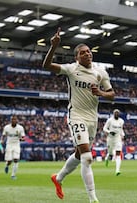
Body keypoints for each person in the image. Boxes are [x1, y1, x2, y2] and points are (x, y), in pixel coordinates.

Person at [43, 27, 115, 203]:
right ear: (77, 57)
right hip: (76, 115)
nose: (87, 54)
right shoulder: (71, 69)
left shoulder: (100, 73)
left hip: (93, 118)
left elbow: (112, 95)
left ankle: (58, 178)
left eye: (88, 51)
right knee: (87, 156)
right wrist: (53, 47)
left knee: (78, 154)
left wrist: (101, 93)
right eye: (82, 53)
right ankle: (93, 199)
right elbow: (46, 66)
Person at [1, 115, 25, 180]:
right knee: (9, 161)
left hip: (16, 144)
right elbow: (3, 135)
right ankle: (7, 165)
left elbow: (23, 137)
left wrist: (21, 139)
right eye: (12, 119)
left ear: (17, 120)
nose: (14, 121)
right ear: (10, 120)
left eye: (15, 119)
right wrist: (2, 140)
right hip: (9, 144)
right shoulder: (6, 127)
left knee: (16, 159)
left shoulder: (20, 128)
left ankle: (13, 175)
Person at [103, 109, 125, 176]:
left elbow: (121, 129)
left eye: (118, 113)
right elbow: (104, 128)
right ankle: (107, 158)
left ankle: (117, 170)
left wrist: (123, 134)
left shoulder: (121, 121)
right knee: (110, 154)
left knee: (118, 153)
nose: (116, 114)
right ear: (113, 114)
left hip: (117, 138)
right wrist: (109, 132)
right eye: (115, 113)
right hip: (110, 139)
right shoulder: (110, 120)